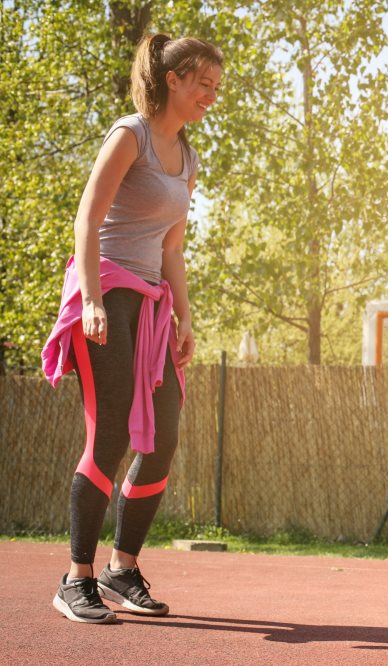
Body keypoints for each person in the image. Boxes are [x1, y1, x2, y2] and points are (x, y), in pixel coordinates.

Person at [41, 34, 223, 624]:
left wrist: (185, 314)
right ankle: (77, 578)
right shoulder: (130, 135)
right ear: (172, 79)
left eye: (216, 88)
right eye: (202, 83)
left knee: (163, 435)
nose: (209, 96)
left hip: (150, 303)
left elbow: (173, 246)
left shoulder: (188, 156)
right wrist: (91, 299)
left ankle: (122, 567)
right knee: (111, 434)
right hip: (105, 292)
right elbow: (87, 219)